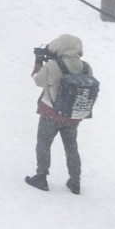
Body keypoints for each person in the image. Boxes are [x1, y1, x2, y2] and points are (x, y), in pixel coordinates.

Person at [28, 34, 89, 193]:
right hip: (72, 116)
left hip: (51, 114)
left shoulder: (53, 65)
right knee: (71, 148)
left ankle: (41, 177)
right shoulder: (86, 67)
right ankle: (75, 181)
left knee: (44, 144)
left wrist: (39, 62)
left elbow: (38, 80)